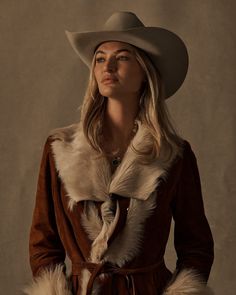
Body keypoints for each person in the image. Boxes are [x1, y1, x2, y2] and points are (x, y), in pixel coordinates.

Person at [24, 11, 214, 295]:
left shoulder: (174, 155)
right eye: (100, 58)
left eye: (122, 57)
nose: (107, 66)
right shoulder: (60, 148)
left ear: (145, 71)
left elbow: (196, 245)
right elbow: (43, 242)